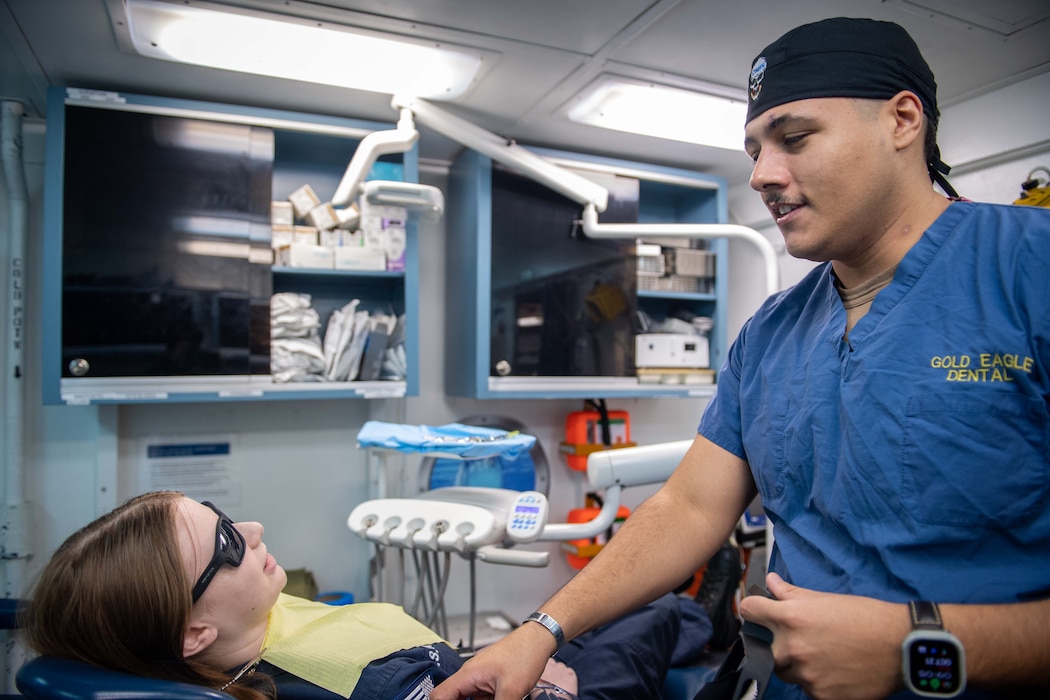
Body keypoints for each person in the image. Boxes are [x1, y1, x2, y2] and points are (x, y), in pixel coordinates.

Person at [430, 16, 1050, 700]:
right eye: (754, 149)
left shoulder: (1029, 273)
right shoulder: (772, 332)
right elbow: (691, 507)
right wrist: (542, 629)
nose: (761, 175)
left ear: (903, 120)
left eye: (794, 137)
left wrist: (920, 643)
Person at [22, 491, 723, 700]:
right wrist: (552, 687)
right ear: (191, 633)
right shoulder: (338, 686)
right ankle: (705, 619)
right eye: (230, 546)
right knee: (650, 617)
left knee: (582, 622)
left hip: (456, 658)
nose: (256, 527)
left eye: (225, 515)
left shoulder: (242, 636)